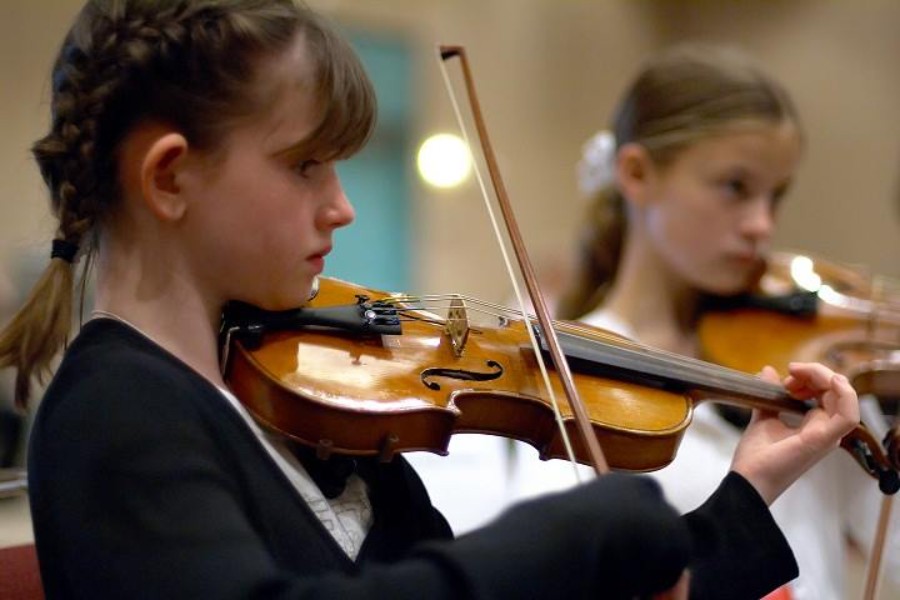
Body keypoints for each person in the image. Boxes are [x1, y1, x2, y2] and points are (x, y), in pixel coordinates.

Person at [0, 3, 859, 598]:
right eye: (306, 165)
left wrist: (748, 493)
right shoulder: (114, 412)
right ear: (170, 175)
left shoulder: (304, 405)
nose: (342, 206)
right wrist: (581, 529)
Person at [558, 43, 900, 600]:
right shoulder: (570, 376)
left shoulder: (819, 367)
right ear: (637, 173)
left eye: (776, 195)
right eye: (735, 187)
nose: (762, 224)